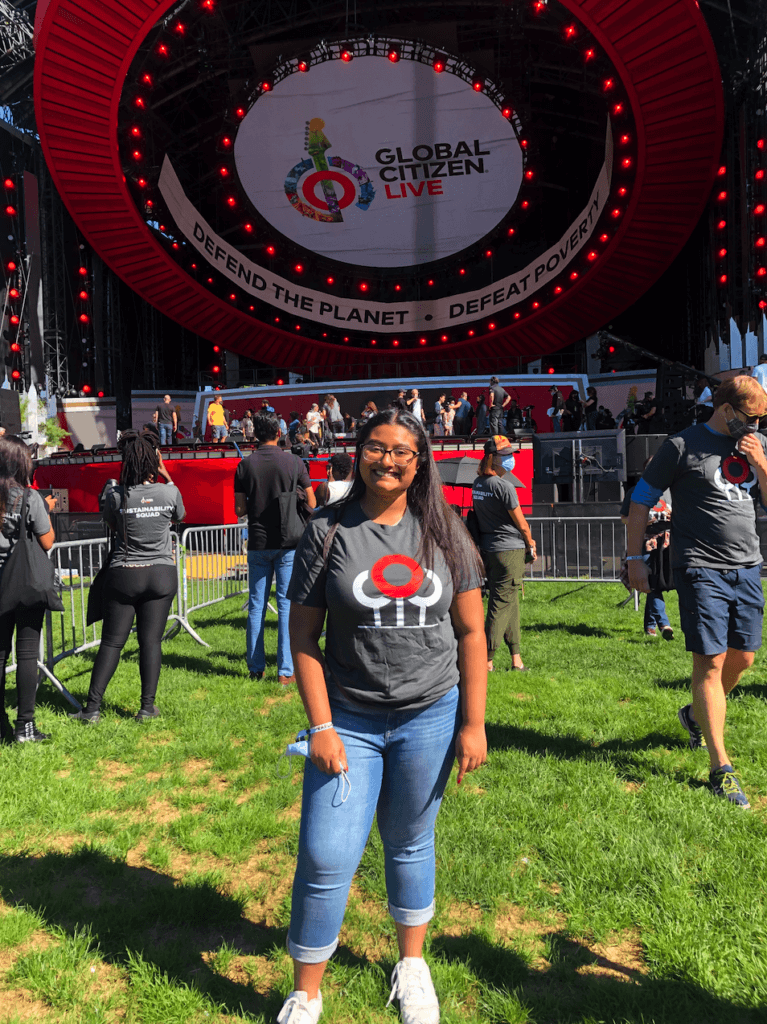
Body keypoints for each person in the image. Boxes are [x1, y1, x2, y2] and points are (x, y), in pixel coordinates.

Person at [281, 408, 487, 1024]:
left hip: (431, 714)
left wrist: (473, 723)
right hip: (349, 716)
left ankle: (412, 966)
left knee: (410, 842)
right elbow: (303, 639)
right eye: (376, 447)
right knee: (325, 854)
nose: (388, 459)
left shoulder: (445, 525)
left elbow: (473, 632)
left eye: (402, 450)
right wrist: (320, 727)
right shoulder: (327, 528)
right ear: (357, 453)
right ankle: (306, 992)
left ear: (419, 460)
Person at [627, 376, 767, 809]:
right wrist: (635, 559)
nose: (757, 424)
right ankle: (720, 767)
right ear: (726, 410)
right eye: (751, 417)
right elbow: (640, 501)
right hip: (700, 566)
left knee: (744, 658)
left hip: (747, 567)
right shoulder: (680, 446)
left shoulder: (757, 444)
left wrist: (761, 463)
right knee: (711, 662)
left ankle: (693, 715)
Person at [70, 431, 185, 724]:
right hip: (161, 574)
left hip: (125, 573)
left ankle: (92, 709)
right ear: (153, 461)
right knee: (151, 642)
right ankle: (147, 708)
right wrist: (164, 473)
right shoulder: (169, 491)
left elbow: (111, 523)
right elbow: (180, 515)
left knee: (111, 643)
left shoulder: (116, 495)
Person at [234, 413, 317, 685]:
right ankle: (285, 672)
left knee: (256, 605)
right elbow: (313, 503)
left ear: (255, 434)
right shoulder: (294, 462)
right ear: (279, 432)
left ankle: (256, 668)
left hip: (258, 542)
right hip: (288, 542)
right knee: (285, 605)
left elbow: (239, 509)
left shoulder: (244, 466)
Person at [0, 436, 56, 744]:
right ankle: (25, 726)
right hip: (23, 582)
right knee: (25, 655)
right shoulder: (29, 498)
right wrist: (46, 511)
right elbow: (47, 542)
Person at [472, 436, 537, 673]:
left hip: (490, 549)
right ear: (494, 458)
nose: (510, 459)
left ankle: (516, 659)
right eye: (506, 455)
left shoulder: (478, 483)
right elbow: (521, 523)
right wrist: (530, 543)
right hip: (509, 550)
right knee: (500, 604)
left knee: (509, 602)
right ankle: (486, 660)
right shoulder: (504, 486)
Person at [620, 466, 673, 639]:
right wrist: (643, 521)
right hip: (643, 542)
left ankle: (650, 627)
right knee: (651, 583)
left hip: (665, 543)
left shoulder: (670, 491)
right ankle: (663, 623)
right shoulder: (635, 492)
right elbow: (624, 518)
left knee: (656, 583)